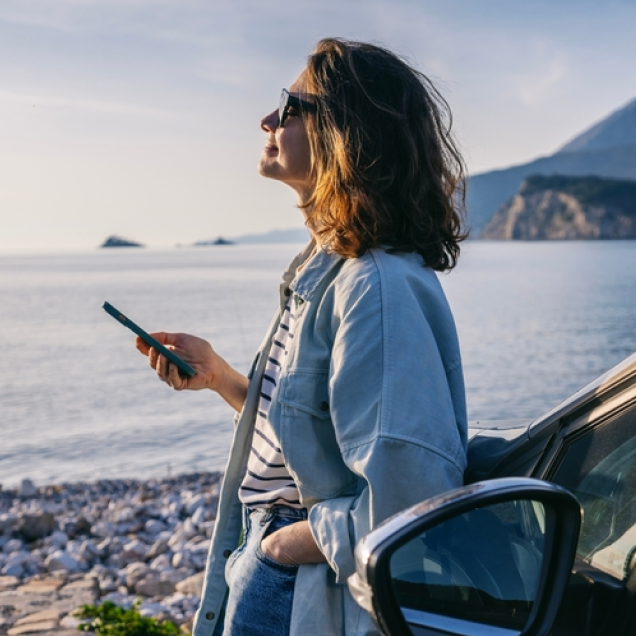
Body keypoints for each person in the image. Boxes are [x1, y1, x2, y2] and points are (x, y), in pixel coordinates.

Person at [137, 38, 468, 636]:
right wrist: (222, 379)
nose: (268, 120)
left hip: (302, 578)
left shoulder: (375, 289)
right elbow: (316, 438)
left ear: (345, 133)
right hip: (274, 556)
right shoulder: (327, 268)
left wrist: (284, 546)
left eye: (289, 105)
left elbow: (414, 501)